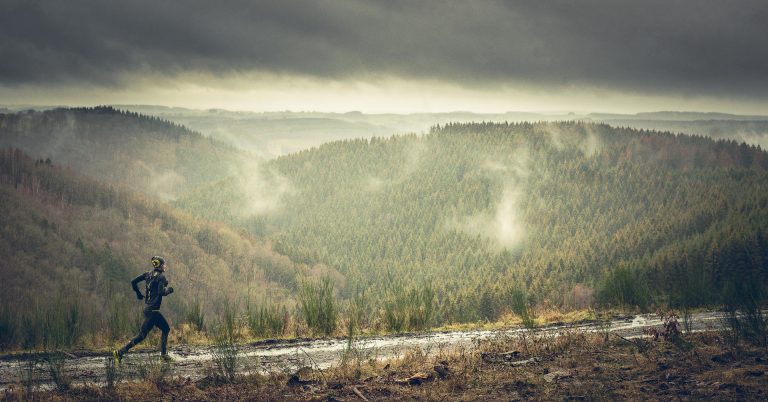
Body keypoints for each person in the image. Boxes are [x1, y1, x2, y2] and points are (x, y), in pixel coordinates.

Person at [113, 256, 175, 363]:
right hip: (154, 311)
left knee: (142, 335)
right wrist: (169, 290)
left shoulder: (148, 274)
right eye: (164, 264)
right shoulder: (161, 277)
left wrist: (138, 293)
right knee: (166, 329)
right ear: (160, 266)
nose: (165, 266)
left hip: (148, 310)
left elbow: (133, 282)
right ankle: (164, 355)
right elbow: (161, 292)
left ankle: (120, 353)